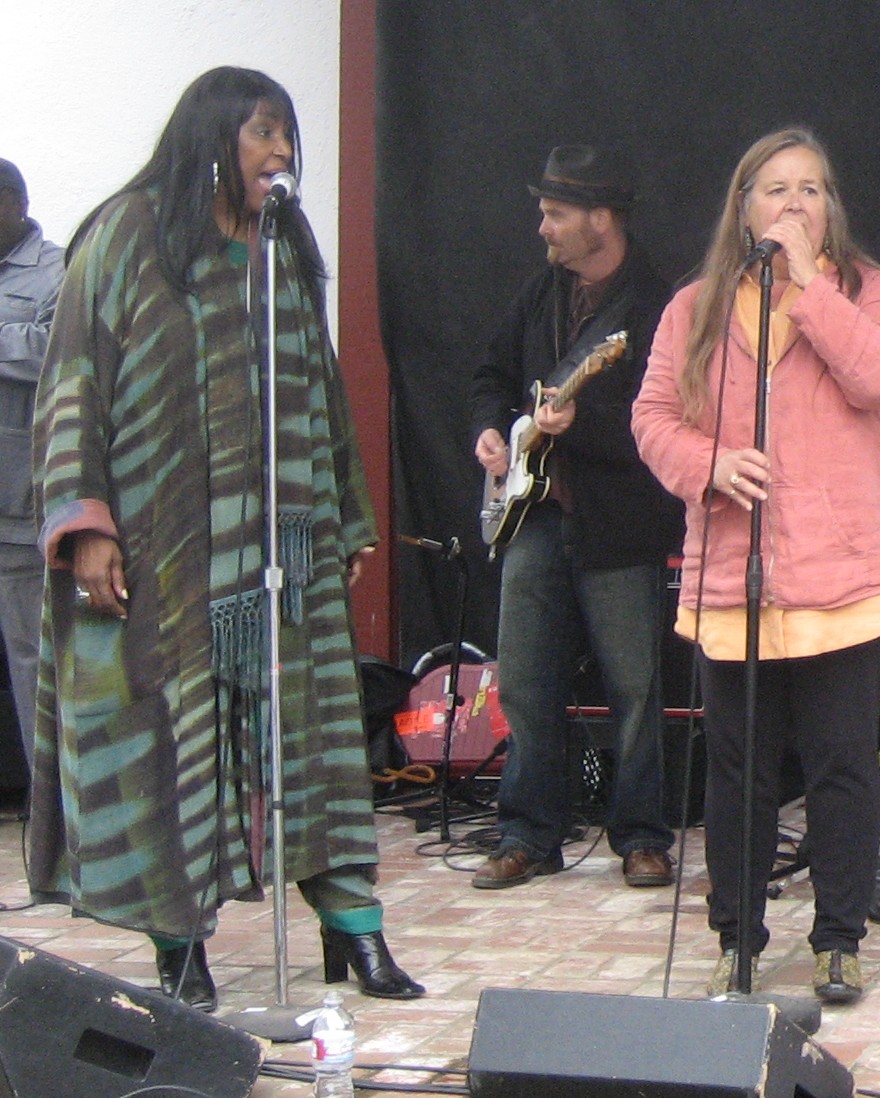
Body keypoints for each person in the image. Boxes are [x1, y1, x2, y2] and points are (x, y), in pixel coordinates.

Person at [30, 66, 423, 1011]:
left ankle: (353, 928)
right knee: (178, 750)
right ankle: (180, 945)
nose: (282, 151)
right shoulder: (126, 235)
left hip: (283, 558)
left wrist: (345, 515)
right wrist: (85, 528)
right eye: (263, 132)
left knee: (316, 739)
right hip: (168, 557)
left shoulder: (282, 242)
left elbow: (320, 383)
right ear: (210, 136)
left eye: (287, 134)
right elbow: (72, 382)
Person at [632, 126, 880, 1005]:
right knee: (738, 771)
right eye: (776, 190)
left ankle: (839, 938)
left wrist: (809, 290)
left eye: (812, 190)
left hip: (845, 577)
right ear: (742, 206)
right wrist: (707, 464)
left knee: (841, 765)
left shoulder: (871, 292)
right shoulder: (695, 308)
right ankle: (737, 939)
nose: (794, 204)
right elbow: (650, 417)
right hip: (735, 576)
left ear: (831, 211)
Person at [468, 145, 682, 891]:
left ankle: (643, 835)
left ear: (600, 219)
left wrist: (578, 428)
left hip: (619, 524)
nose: (543, 228)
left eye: (555, 214)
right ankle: (528, 832)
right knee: (523, 682)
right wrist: (492, 429)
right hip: (532, 517)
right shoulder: (540, 294)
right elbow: (492, 376)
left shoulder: (657, 308)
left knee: (635, 688)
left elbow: (668, 425)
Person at [0, 157, 64, 804]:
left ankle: (57, 814)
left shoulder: (57, 270)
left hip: (15, 507)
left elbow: (58, 349)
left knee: (33, 666)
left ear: (13, 204)